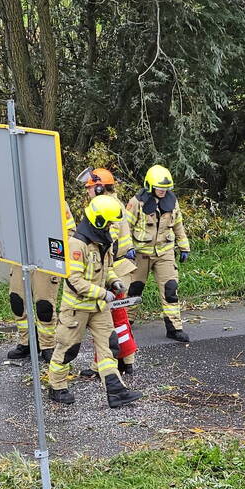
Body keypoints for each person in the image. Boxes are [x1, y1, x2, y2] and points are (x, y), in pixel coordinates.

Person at [47, 194, 143, 409]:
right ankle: (56, 386)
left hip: (99, 308)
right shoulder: (76, 245)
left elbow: (107, 269)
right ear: (98, 220)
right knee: (68, 348)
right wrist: (102, 293)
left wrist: (114, 281)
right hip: (77, 309)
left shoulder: (103, 242)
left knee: (109, 346)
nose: (110, 227)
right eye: (108, 223)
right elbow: (74, 281)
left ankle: (116, 391)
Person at [0, 178, 75, 365]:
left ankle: (47, 345)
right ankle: (27, 342)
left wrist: (57, 255)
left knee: (44, 306)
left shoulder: (54, 199)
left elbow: (69, 231)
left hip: (44, 260)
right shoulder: (15, 199)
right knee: (17, 301)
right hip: (20, 257)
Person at [78, 168, 140, 376]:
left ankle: (102, 366)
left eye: (89, 188)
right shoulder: (113, 203)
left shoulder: (106, 207)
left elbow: (105, 243)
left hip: (112, 270)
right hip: (120, 268)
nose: (87, 191)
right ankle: (127, 361)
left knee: (104, 323)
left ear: (99, 188)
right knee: (119, 320)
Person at [124, 164, 191, 344]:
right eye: (159, 188)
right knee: (134, 289)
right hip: (140, 254)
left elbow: (178, 225)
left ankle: (174, 328)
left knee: (170, 288)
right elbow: (124, 227)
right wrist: (127, 248)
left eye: (165, 188)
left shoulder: (172, 202)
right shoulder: (136, 202)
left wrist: (184, 247)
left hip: (164, 252)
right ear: (150, 186)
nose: (163, 191)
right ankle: (126, 322)